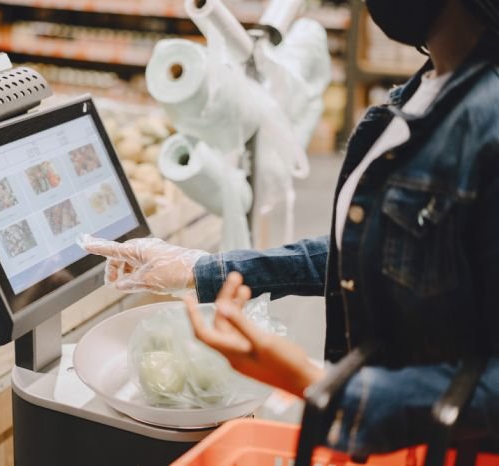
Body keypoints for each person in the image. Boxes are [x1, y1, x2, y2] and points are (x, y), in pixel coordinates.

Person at [84, 0, 499, 457]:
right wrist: (200, 268)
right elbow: (378, 249)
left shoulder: (488, 124)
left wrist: (311, 381)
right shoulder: (427, 88)